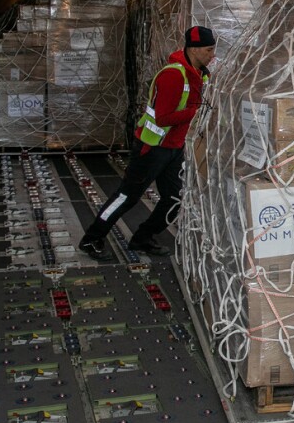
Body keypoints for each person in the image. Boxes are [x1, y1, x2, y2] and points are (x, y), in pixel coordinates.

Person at [79, 25, 216, 260]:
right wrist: (198, 111)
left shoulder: (199, 74)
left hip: (174, 148)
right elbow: (163, 117)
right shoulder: (174, 75)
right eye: (208, 50)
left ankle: (143, 237)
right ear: (193, 49)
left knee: (174, 198)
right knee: (127, 196)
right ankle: (92, 239)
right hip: (152, 147)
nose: (212, 55)